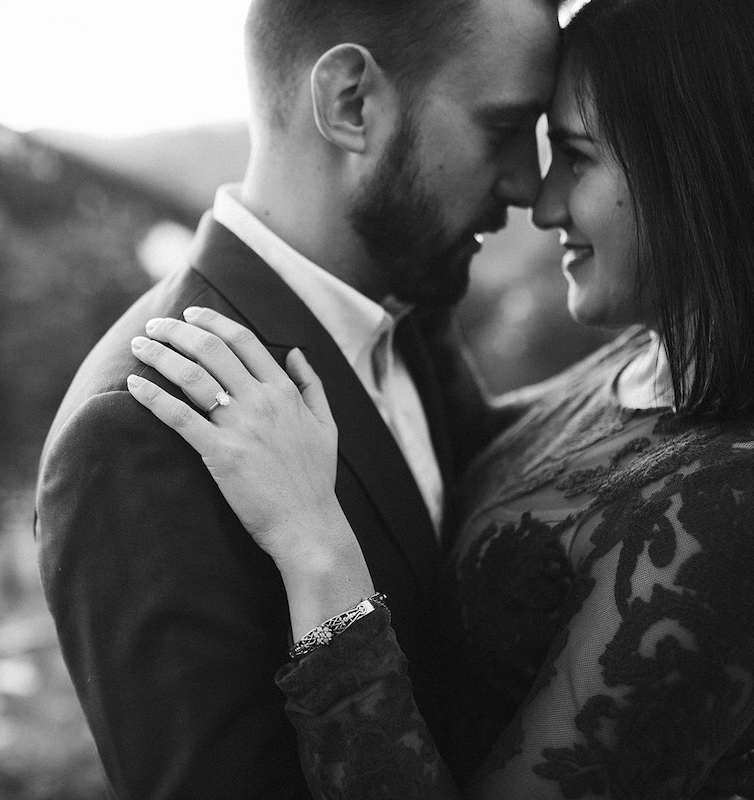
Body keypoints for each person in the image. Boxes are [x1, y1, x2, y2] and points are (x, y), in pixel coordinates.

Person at [125, 0, 754, 796]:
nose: (542, 205)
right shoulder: (655, 363)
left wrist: (313, 544)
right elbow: (502, 461)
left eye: (576, 157)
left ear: (711, 171)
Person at [34, 0, 559, 796]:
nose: (527, 183)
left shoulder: (410, 303)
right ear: (351, 102)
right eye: (502, 128)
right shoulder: (141, 431)